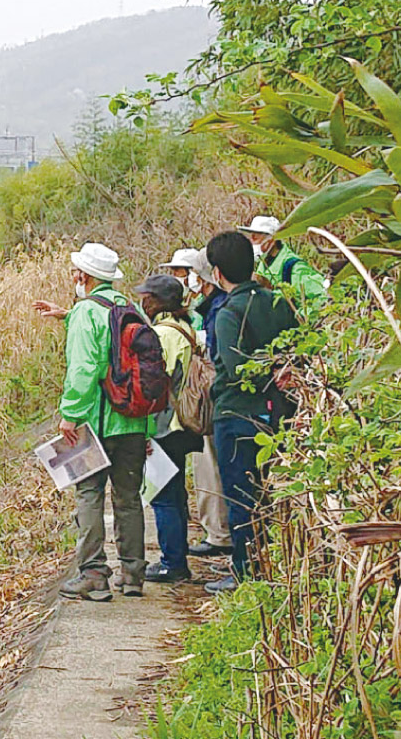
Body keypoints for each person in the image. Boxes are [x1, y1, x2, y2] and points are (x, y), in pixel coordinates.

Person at [33, 242, 151, 601]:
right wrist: (66, 314)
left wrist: (70, 415)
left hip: (97, 425)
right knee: (129, 499)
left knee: (89, 494)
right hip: (133, 422)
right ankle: (133, 575)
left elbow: (84, 368)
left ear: (84, 276)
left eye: (75, 273)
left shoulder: (87, 312)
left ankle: (94, 574)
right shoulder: (130, 309)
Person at [203, 232, 298, 594]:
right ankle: (274, 564)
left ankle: (246, 573)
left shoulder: (229, 312)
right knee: (268, 492)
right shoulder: (277, 303)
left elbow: (235, 366)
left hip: (237, 413)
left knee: (241, 495)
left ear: (217, 272)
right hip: (279, 411)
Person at [134, 274, 204, 584]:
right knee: (175, 494)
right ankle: (177, 555)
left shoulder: (162, 334)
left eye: (146, 297)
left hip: (165, 425)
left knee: (162, 495)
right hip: (184, 425)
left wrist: (145, 428)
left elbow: (155, 383)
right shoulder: (185, 328)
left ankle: (172, 562)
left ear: (157, 301)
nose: (142, 302)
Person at [186, 249, 233, 559]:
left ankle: (221, 536)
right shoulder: (212, 308)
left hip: (220, 403)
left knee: (212, 467)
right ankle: (220, 534)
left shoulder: (219, 311)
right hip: (226, 402)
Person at [239, 215, 327, 302]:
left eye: (255, 238)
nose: (251, 242)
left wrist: (299, 314)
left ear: (271, 240)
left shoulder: (294, 268)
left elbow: (324, 295)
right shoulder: (264, 263)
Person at [158, 249, 204, 330]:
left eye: (177, 270)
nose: (174, 274)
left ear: (192, 272)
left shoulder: (205, 302)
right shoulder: (178, 300)